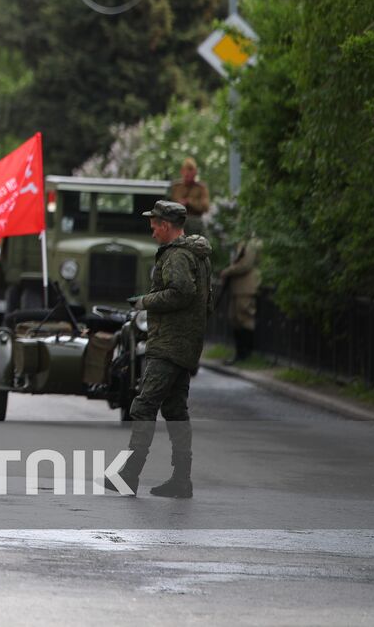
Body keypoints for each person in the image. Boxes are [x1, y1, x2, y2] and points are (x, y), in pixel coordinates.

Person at [107, 200, 212, 498]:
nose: (151, 230)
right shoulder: (198, 255)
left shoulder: (177, 255)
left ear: (166, 225)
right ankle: (182, 480)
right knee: (176, 410)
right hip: (186, 343)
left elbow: (182, 292)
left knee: (143, 406)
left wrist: (144, 302)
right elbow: (206, 300)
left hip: (168, 343)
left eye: (154, 224)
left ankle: (128, 474)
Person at [219, 234, 262, 364]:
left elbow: (246, 264)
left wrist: (228, 271)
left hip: (246, 287)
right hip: (237, 287)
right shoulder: (243, 242)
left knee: (245, 319)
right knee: (235, 319)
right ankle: (239, 353)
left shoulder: (252, 243)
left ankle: (245, 355)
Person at [169, 158, 211, 235]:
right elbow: (168, 204)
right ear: (182, 171)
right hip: (178, 221)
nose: (189, 178)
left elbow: (206, 207)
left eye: (192, 176)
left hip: (195, 221)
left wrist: (190, 201)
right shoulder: (176, 187)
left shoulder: (201, 188)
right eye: (187, 175)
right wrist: (179, 204)